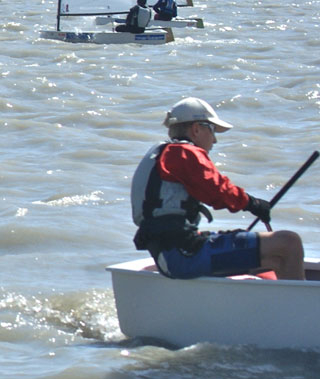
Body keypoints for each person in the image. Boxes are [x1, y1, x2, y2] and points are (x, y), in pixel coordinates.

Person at [130, 97, 304, 280]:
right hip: (184, 255)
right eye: (212, 130)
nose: (215, 140)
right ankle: (302, 298)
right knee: (289, 242)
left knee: (276, 259)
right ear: (196, 129)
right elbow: (217, 190)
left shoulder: (161, 154)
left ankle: (288, 297)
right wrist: (253, 203)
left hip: (173, 254)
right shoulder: (183, 152)